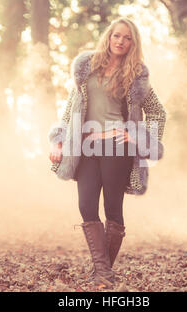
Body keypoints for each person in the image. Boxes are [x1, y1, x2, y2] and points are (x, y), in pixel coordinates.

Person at [48, 17, 166, 287]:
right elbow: (70, 109)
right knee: (86, 205)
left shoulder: (135, 76)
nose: (121, 41)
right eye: (117, 36)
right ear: (108, 37)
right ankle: (103, 272)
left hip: (117, 147)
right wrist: (58, 141)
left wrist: (136, 137)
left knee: (113, 207)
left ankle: (101, 273)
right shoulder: (86, 68)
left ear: (132, 43)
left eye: (127, 38)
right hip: (86, 147)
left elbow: (158, 112)